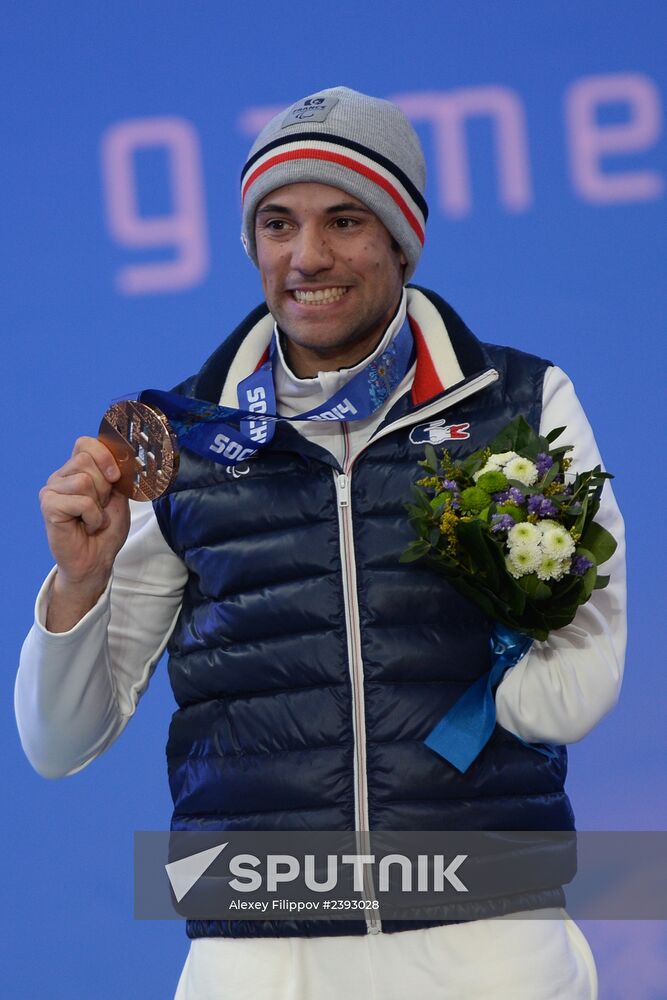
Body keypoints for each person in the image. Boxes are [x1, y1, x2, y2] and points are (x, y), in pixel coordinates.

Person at [16, 87, 625, 999]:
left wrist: (497, 690)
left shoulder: (519, 403)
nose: (307, 257)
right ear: (251, 243)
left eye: (344, 219)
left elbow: (578, 683)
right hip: (261, 954)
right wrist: (80, 585)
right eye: (276, 223)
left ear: (398, 239)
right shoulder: (184, 439)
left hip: (487, 936)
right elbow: (57, 744)